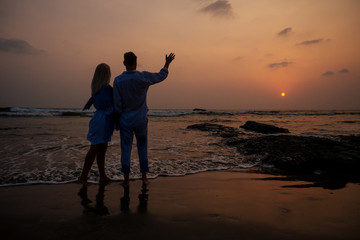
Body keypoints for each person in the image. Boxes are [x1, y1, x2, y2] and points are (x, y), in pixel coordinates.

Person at [113, 52, 175, 187]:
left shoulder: (118, 80)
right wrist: (167, 63)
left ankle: (126, 180)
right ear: (136, 62)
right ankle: (144, 178)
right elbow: (161, 76)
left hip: (125, 120)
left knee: (125, 149)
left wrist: (117, 118)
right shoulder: (143, 77)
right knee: (142, 147)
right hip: (140, 119)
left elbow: (117, 104)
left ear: (124, 63)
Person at [78, 63, 115, 188]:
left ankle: (102, 175)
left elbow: (90, 102)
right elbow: (110, 105)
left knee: (102, 149)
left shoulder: (96, 89)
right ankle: (83, 176)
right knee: (95, 149)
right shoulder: (107, 89)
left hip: (97, 119)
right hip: (103, 121)